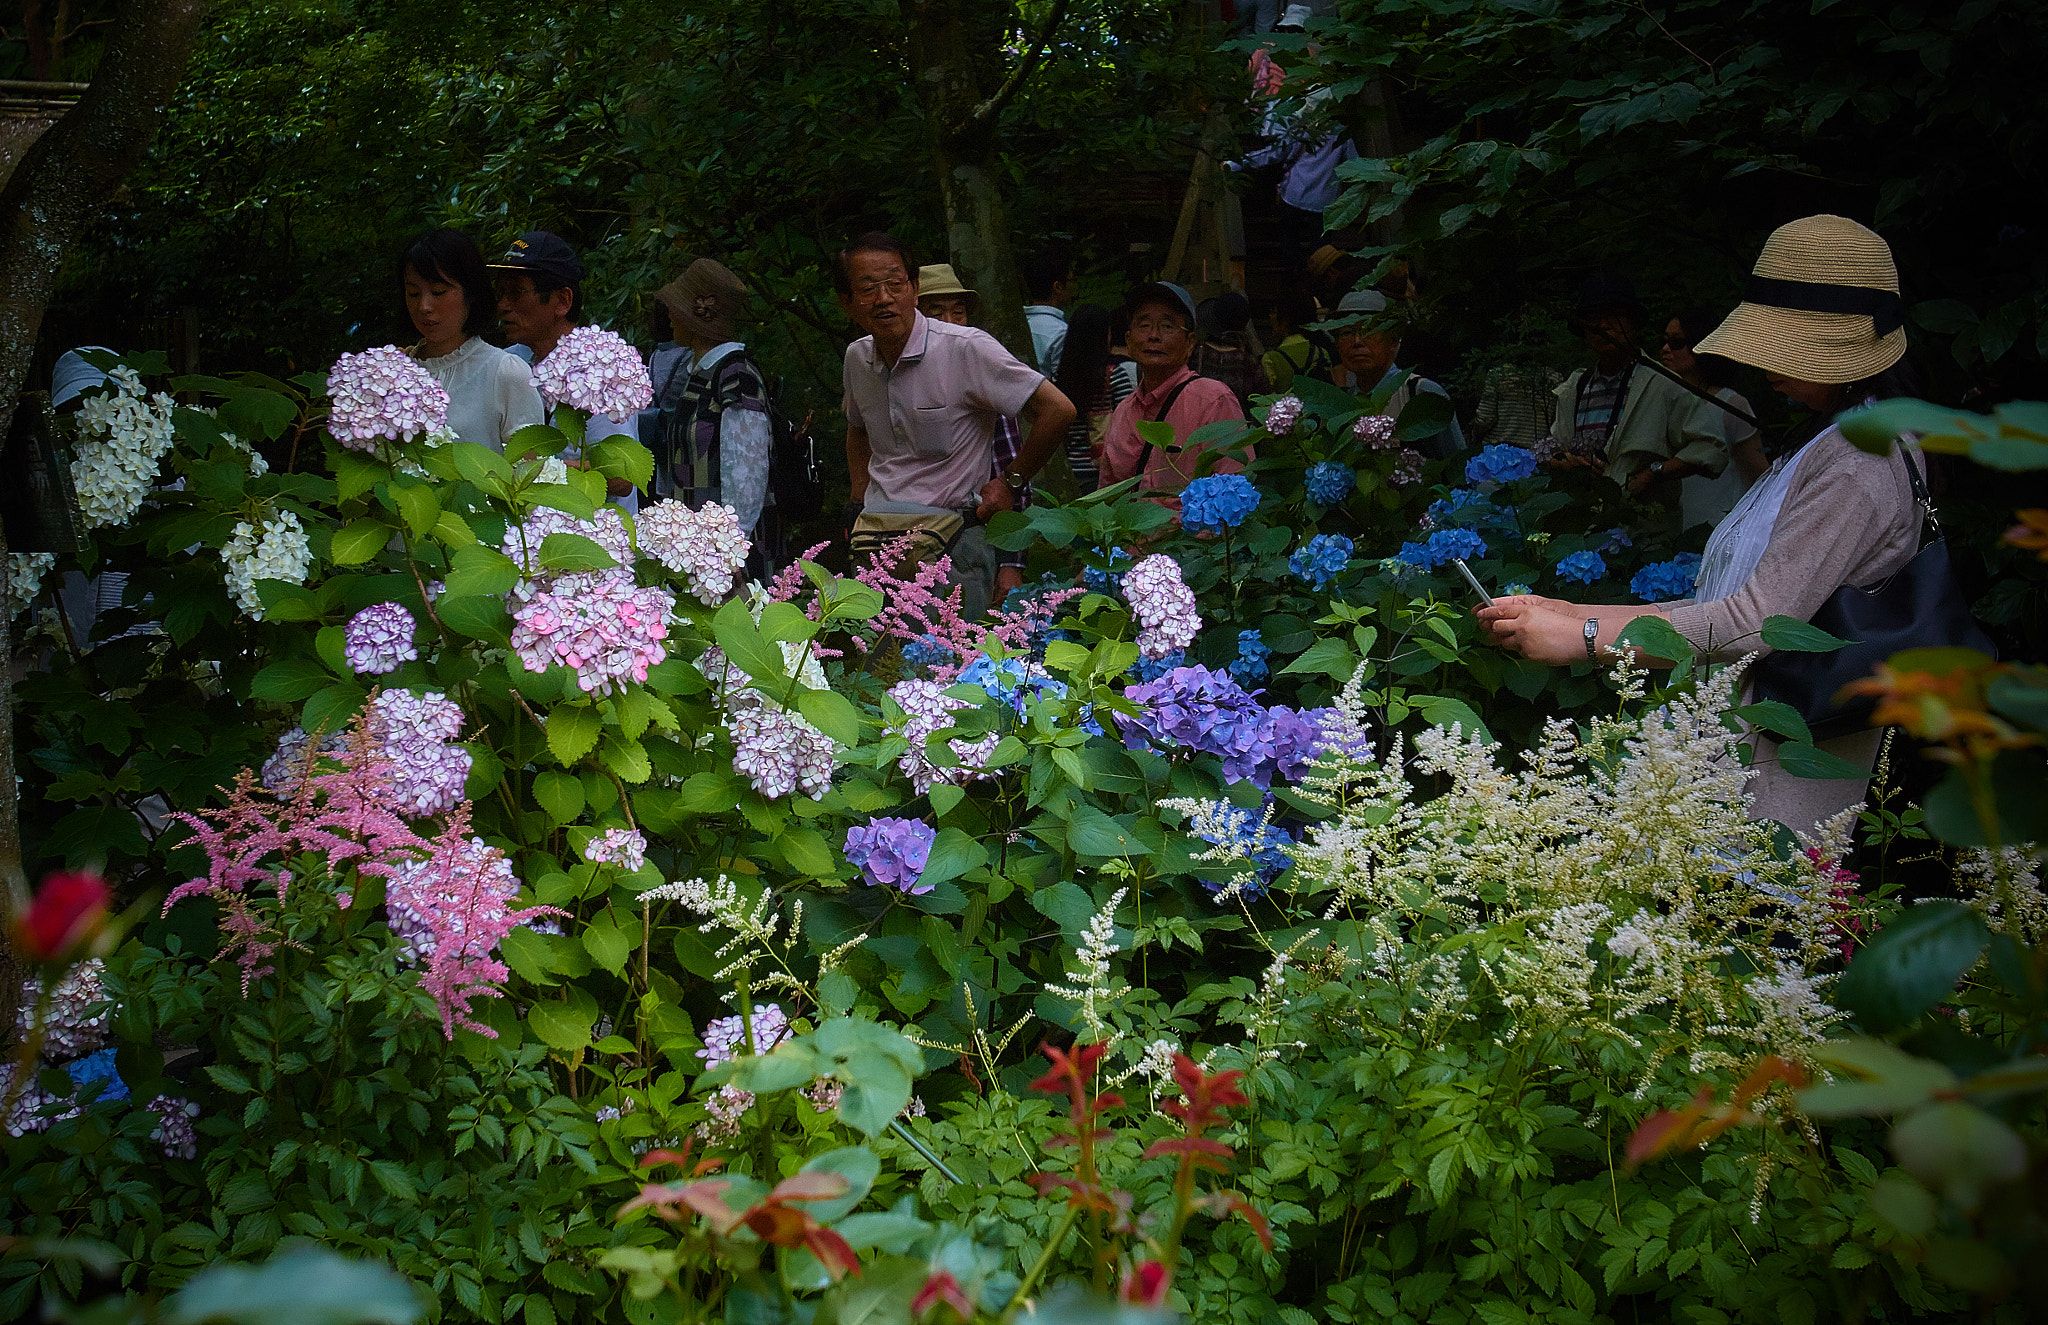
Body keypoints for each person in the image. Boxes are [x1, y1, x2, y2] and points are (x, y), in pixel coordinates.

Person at [1478, 215, 1926, 831]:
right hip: (1755, 740)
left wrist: (1582, 638)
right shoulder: (1834, 436)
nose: (1766, 362)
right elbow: (1730, 601)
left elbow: (1755, 625)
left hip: (1791, 770)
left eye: (1785, 344)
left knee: (1769, 916)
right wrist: (1562, 611)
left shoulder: (1859, 460)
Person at [837, 232, 1075, 619]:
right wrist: (856, 501)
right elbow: (858, 428)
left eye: (895, 285)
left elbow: (1058, 410)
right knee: (878, 672)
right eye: (867, 289)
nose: (883, 298)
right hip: (876, 548)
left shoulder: (966, 348)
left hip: (953, 547)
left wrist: (1010, 482)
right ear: (846, 302)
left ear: (913, 289)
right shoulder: (857, 358)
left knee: (953, 670)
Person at [1547, 273, 1724, 518]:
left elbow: (1712, 449)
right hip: (1583, 529)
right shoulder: (1574, 387)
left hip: (1642, 534)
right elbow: (1552, 449)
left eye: (1613, 317)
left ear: (1633, 324)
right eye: (1593, 319)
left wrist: (1653, 473)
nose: (1603, 326)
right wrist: (1564, 462)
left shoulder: (1662, 383)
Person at [488, 230, 640, 506]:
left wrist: (532, 470)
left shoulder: (598, 372)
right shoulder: (510, 362)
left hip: (592, 541)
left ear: (562, 301)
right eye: (501, 292)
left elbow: (621, 478)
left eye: (516, 293)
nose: (503, 305)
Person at [918, 262, 1031, 598]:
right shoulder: (886, 373)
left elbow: (1012, 473)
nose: (950, 324)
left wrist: (1012, 563)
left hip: (965, 540)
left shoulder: (980, 372)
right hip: (897, 539)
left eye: (959, 313)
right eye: (936, 313)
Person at [1097, 282, 1249, 510]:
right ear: (1128, 341)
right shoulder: (1123, 413)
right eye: (1144, 325)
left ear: (1190, 343)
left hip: (1191, 544)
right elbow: (1106, 500)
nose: (1154, 335)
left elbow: (1237, 494)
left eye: (1167, 326)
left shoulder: (1214, 401)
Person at [653, 258, 772, 549]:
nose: (669, 314)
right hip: (696, 548)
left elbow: (747, 476)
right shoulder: (702, 373)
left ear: (697, 316)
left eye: (677, 306)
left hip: (728, 556)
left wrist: (730, 549)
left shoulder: (736, 378)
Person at [401, 228, 545, 452]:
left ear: (471, 293)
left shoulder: (505, 373)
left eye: (438, 291)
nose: (424, 307)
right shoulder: (392, 373)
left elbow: (531, 474)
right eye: (413, 294)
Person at [1226, 92, 1358, 277]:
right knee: (1321, 243)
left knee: (1287, 229)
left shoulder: (1302, 132)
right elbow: (1355, 165)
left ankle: (1294, 268)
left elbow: (1273, 154)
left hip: (1296, 193)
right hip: (1325, 200)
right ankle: (1321, 276)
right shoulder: (1342, 135)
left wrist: (1235, 164)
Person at [1662, 306, 1767, 529]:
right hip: (1674, 539)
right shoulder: (1665, 406)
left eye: (1677, 342)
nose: (1665, 349)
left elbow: (1759, 477)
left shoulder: (1731, 405)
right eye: (1665, 341)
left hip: (1722, 530)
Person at [1324, 290, 1464, 457]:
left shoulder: (1419, 392)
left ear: (1393, 339)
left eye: (1369, 329)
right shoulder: (1340, 404)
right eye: (1347, 332)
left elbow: (1458, 464)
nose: (1357, 341)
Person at [1052, 302, 1133, 492]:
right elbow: (1130, 424)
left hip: (1071, 471)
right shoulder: (1114, 375)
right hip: (1103, 472)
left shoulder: (1061, 377)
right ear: (1105, 335)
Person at [1192, 292, 1272, 414]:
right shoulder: (1250, 363)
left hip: (1196, 429)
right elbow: (1266, 404)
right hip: (1238, 431)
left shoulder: (1194, 354)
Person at [1261, 290, 1334, 391]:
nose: (1270, 317)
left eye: (1274, 312)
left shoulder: (1270, 359)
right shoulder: (1321, 353)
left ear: (1284, 320)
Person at [1021, 246, 1074, 378]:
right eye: (1072, 280)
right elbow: (1062, 382)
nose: (1075, 286)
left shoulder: (1017, 324)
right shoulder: (1061, 333)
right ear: (1058, 287)